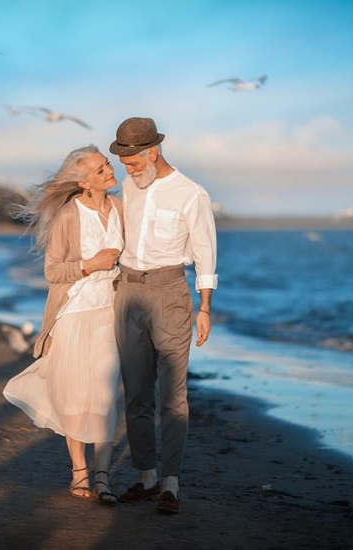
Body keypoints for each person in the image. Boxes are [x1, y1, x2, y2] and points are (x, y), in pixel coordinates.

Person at [2, 145, 124, 505]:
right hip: (72, 314)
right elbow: (53, 271)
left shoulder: (120, 209)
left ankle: (102, 477)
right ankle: (79, 473)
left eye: (107, 165)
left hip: (110, 314)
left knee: (103, 397)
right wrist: (91, 264)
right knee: (75, 397)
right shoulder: (69, 216)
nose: (108, 171)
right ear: (83, 182)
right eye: (100, 170)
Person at [109, 117, 218, 514]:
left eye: (133, 162)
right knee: (136, 392)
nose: (127, 169)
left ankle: (171, 481)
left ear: (152, 153)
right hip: (128, 291)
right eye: (123, 162)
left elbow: (205, 252)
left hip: (171, 292)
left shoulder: (192, 194)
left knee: (173, 395)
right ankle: (146, 476)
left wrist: (205, 307)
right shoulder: (128, 185)